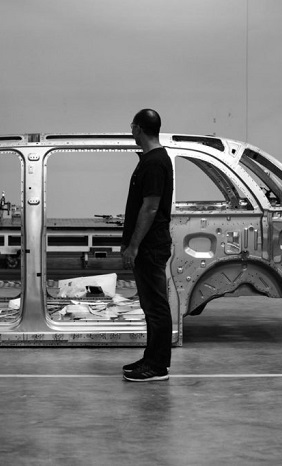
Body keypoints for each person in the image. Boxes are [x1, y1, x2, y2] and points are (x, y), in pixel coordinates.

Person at [121, 108, 174, 382]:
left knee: (155, 306)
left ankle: (158, 366)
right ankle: (151, 358)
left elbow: (150, 208)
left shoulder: (154, 163)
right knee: (150, 305)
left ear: (139, 128)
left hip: (150, 246)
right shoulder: (152, 159)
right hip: (150, 245)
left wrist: (133, 246)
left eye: (132, 127)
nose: (131, 131)